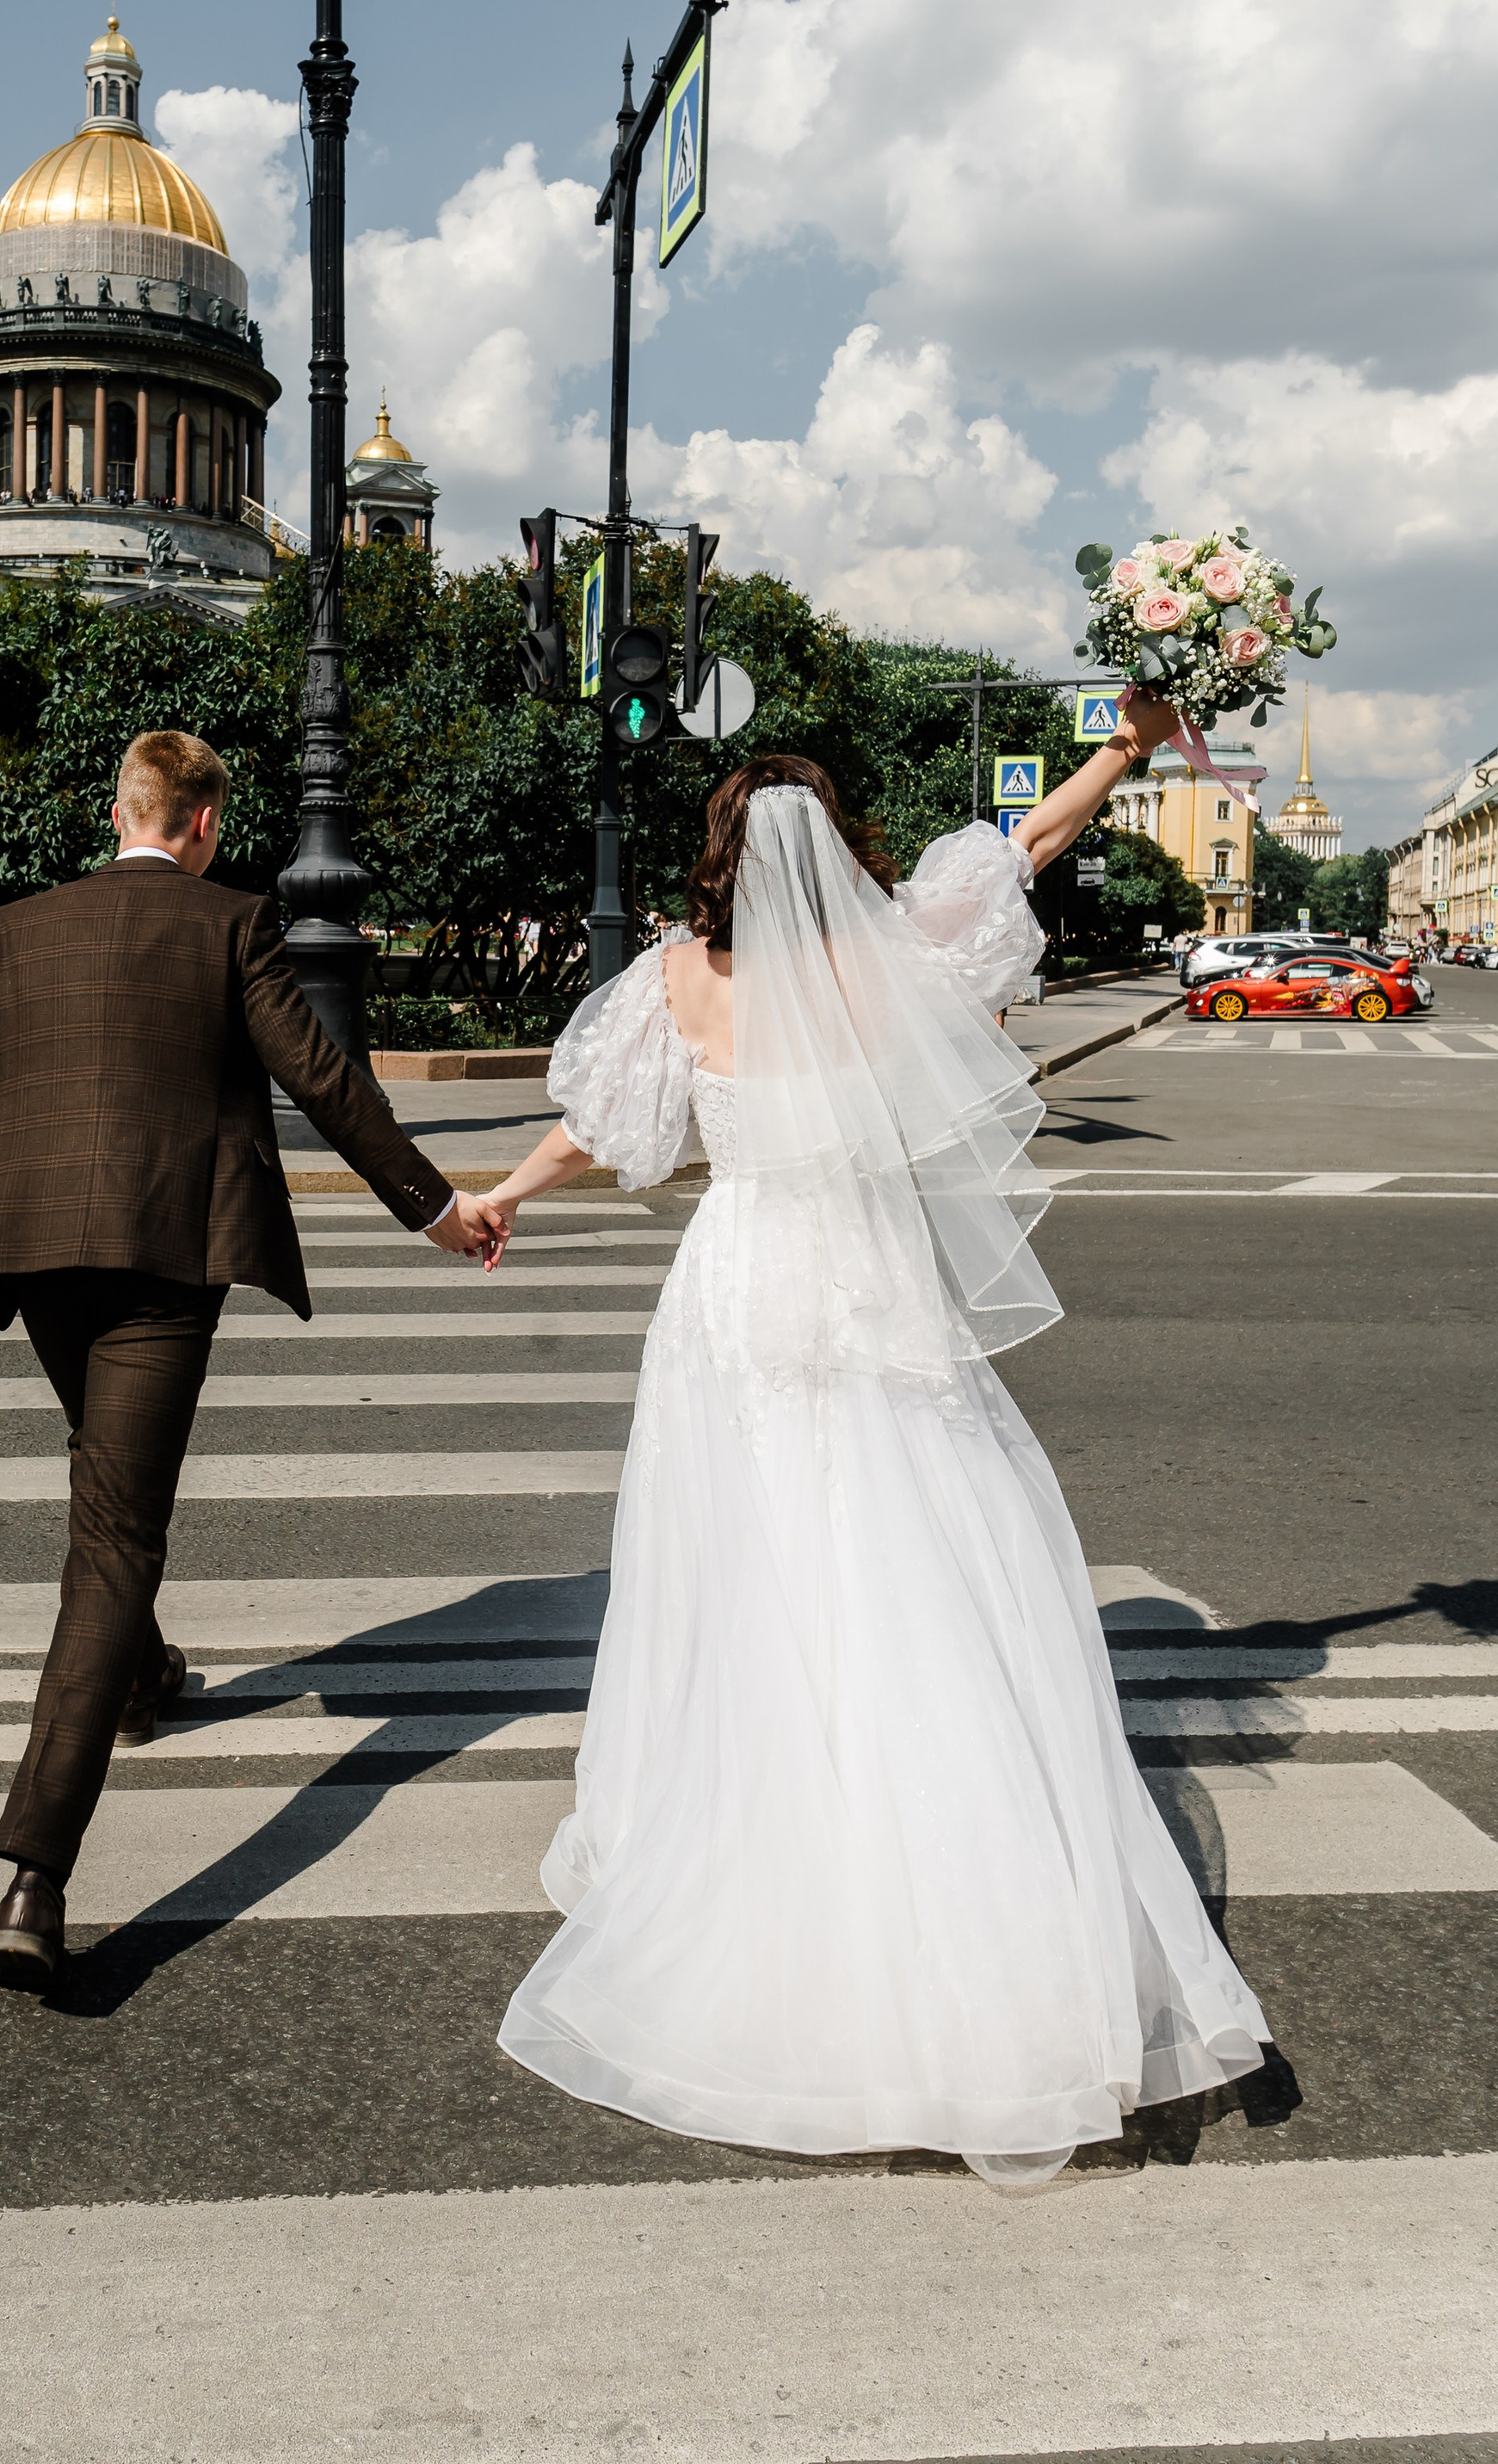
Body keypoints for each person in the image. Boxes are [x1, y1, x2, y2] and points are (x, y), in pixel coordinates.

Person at [484, 705, 1269, 2191]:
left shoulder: (676, 977)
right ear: (837, 851)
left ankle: (752, 1817)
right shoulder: (887, 958)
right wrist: (1132, 743)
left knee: (745, 1564)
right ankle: (954, 1886)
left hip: (737, 1291)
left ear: (719, 855)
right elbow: (1025, 847)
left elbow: (600, 1124)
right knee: (913, 1554)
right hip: (872, 1276)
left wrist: (506, 1194)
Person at [0, 727, 507, 1986]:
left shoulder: (21, 924)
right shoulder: (231, 924)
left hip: (30, 1249)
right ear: (201, 825)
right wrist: (434, 1206)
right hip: (165, 1259)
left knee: (105, 1484)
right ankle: (39, 1869)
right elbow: (324, 1075)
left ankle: (142, 1677)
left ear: (118, 809)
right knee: (118, 1534)